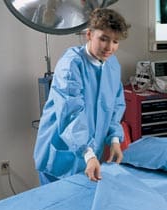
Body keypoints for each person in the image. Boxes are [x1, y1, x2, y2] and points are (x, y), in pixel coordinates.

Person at [33, 8, 130, 184]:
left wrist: (115, 140)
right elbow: (71, 114)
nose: (110, 47)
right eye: (104, 39)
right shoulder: (71, 65)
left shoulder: (112, 65)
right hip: (61, 157)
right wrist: (88, 153)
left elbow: (115, 105)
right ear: (89, 34)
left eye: (115, 41)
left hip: (91, 155)